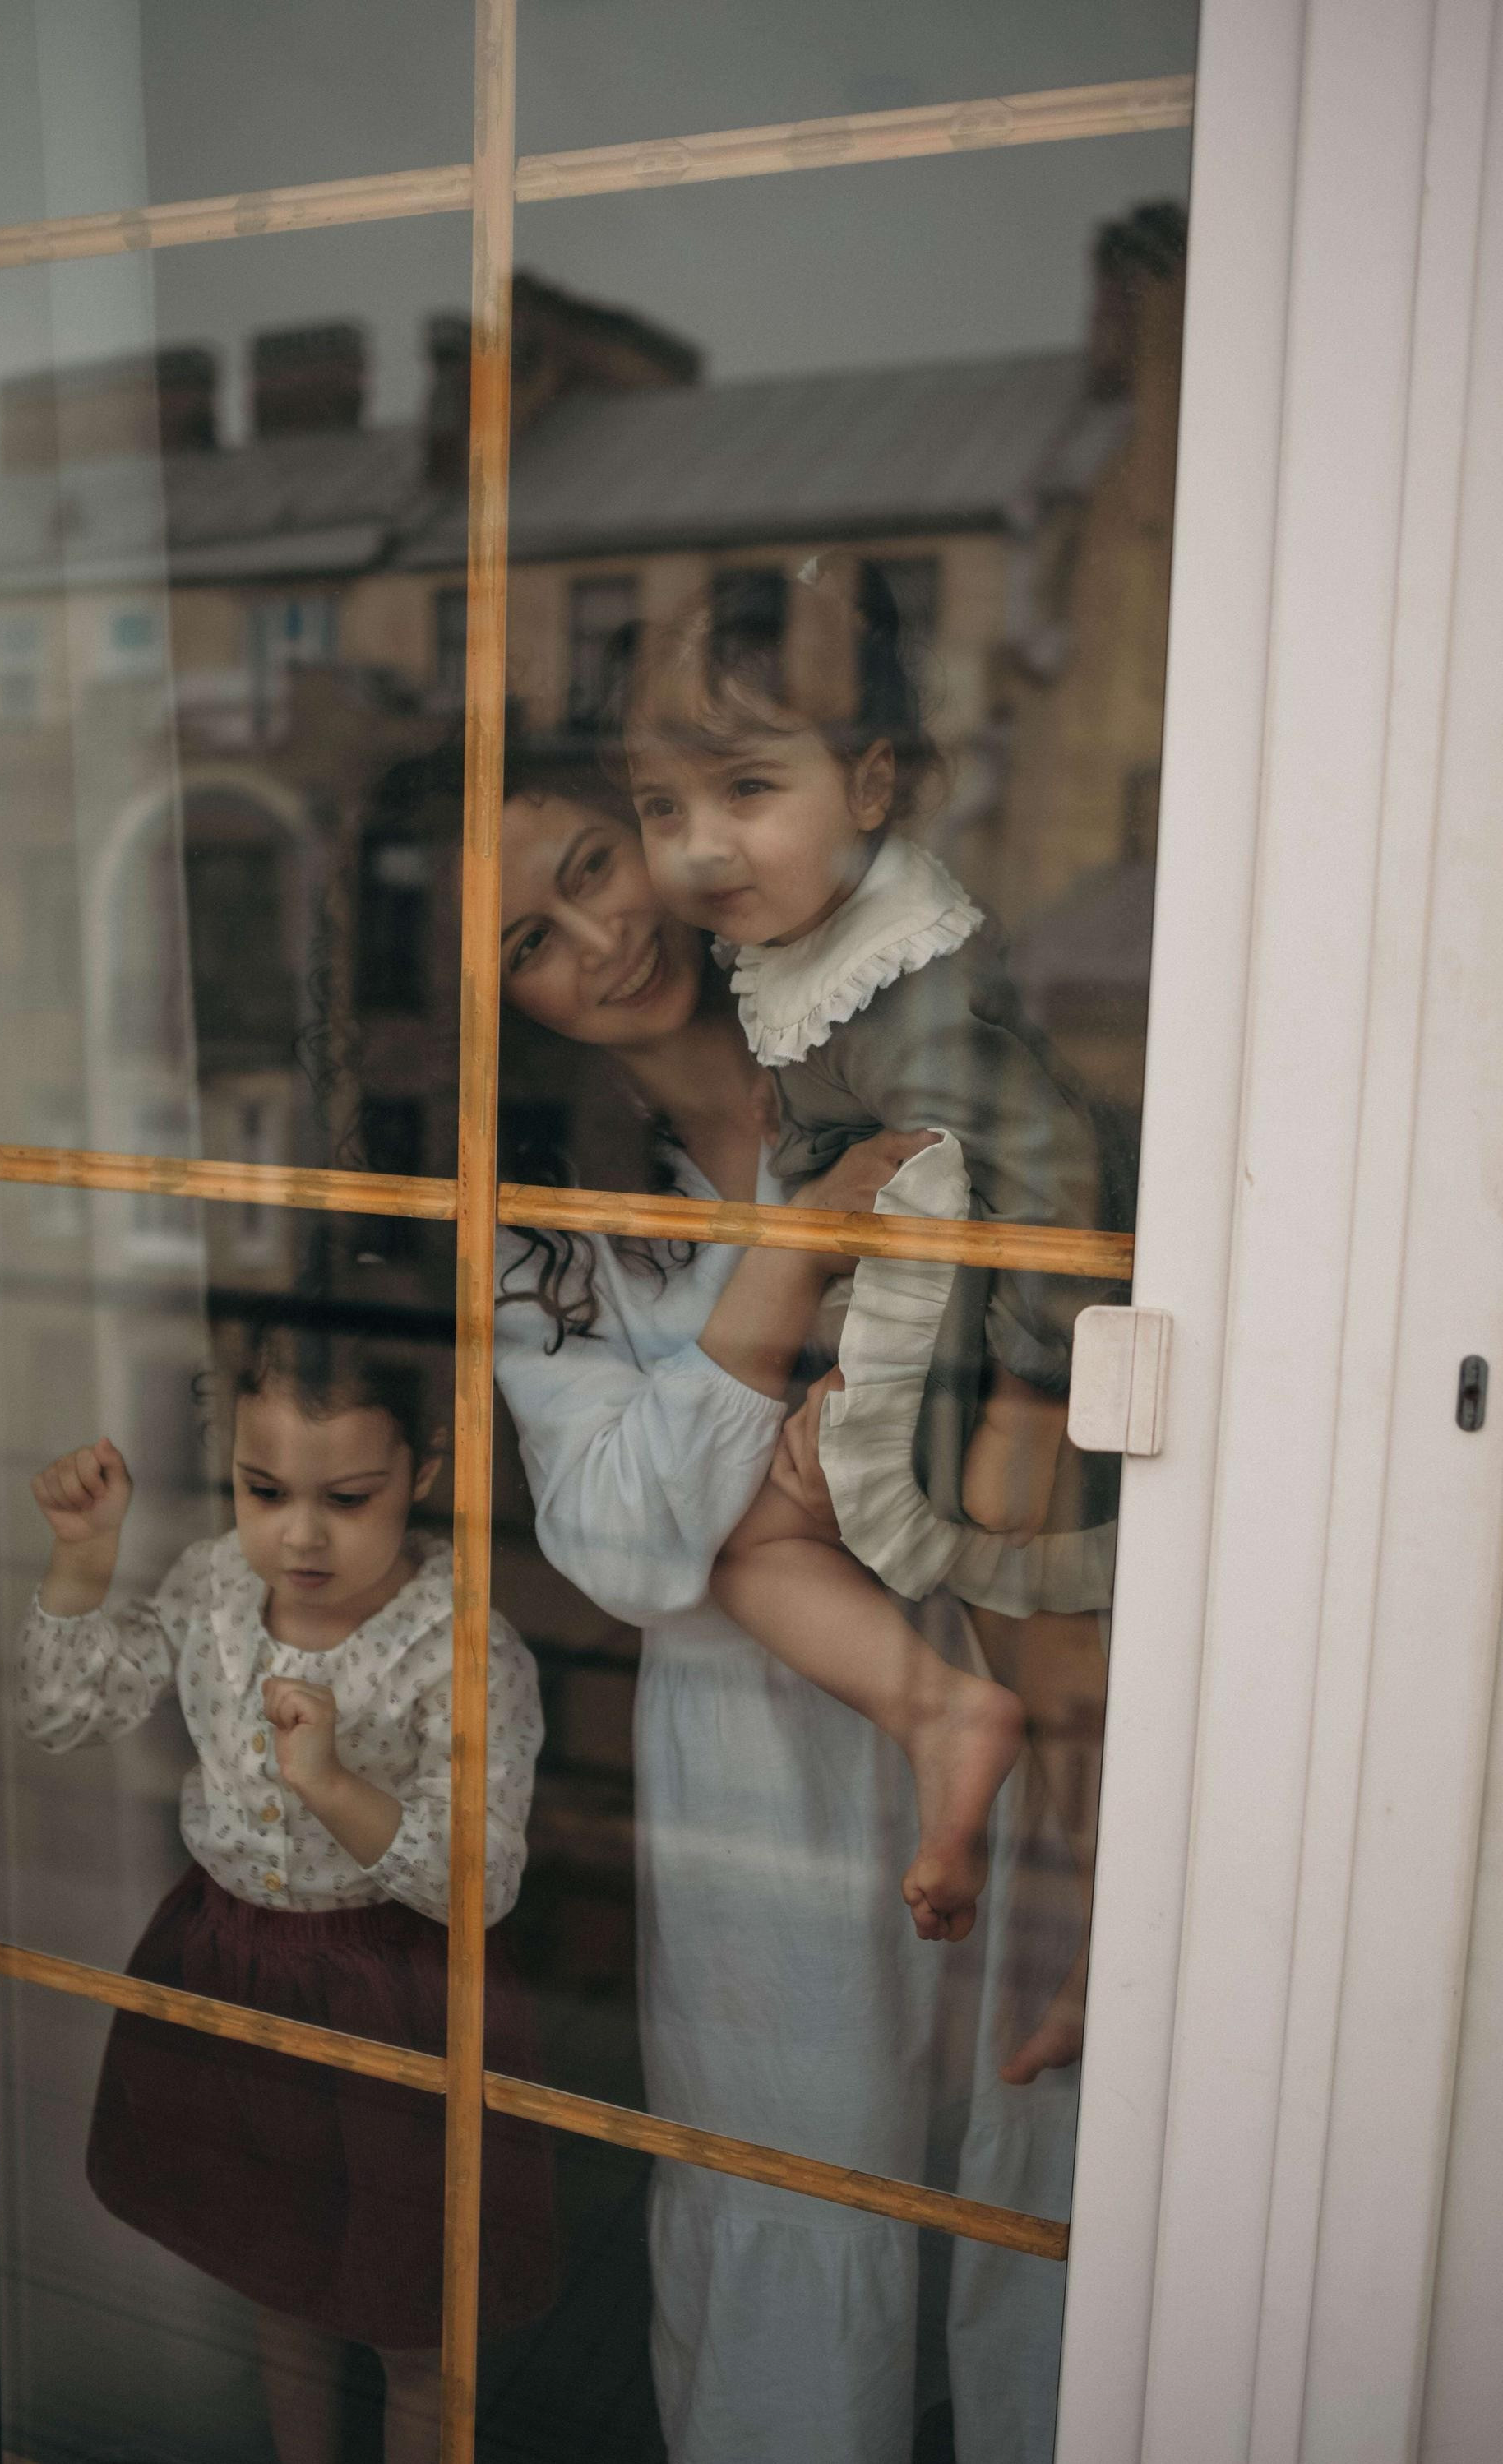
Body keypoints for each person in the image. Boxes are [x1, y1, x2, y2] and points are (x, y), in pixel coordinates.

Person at [493, 769, 1084, 2464]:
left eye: (597, 868)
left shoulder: (875, 1024)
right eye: (536, 941)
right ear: (504, 1005)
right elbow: (616, 1538)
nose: (604, 939)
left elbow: (1055, 1286)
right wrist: (772, 1292)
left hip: (1009, 1677)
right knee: (799, 2253)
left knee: (1033, 2194)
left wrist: (775, 1441)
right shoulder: (550, 1227)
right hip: (763, 1786)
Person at [613, 568, 1130, 1945]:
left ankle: (1094, 1933)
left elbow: (1059, 1177)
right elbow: (840, 1184)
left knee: (1051, 1647)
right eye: (664, 809)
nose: (701, 848)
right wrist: (834, 1375)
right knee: (763, 1544)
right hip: (924, 1346)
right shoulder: (808, 955)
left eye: (745, 791)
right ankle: (947, 1722)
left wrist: (1030, 1402)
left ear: (875, 785)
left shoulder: (912, 989)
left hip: (1013, 1365)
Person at [17, 1311, 549, 2464]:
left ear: (427, 1471)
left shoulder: (464, 1647)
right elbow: (69, 1714)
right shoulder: (213, 1586)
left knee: (417, 2327)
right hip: (230, 1965)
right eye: (264, 1491)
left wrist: (332, 1784)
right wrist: (82, 1556)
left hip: (392, 1993)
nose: (300, 1536)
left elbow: (484, 1885)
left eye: (348, 1498)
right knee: (284, 2288)